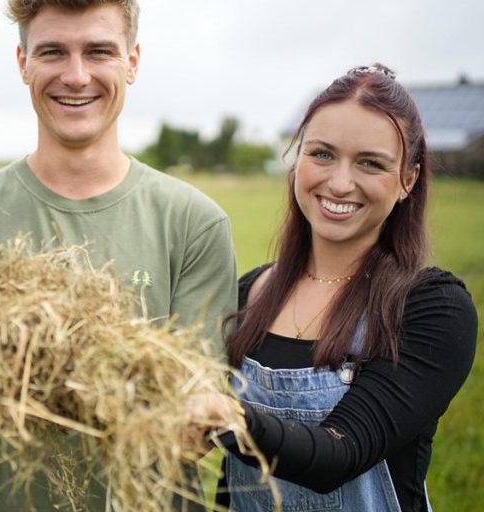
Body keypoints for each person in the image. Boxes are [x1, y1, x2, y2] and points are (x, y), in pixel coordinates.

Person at [0, 1, 237, 510]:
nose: (76, 76)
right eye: (52, 52)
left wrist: (88, 367)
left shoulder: (193, 223)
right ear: (23, 62)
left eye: (98, 52)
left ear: (132, 61)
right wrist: (30, 361)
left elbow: (194, 436)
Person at [191, 64, 477, 512]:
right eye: (322, 154)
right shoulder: (252, 293)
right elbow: (227, 482)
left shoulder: (430, 308)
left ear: (408, 180)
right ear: (297, 159)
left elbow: (339, 453)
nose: (340, 183)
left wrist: (226, 417)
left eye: (370, 163)